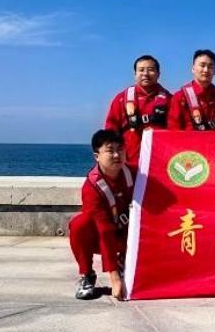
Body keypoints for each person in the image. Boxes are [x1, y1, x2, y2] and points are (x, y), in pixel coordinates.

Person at [69, 129, 134, 301]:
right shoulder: (91, 188)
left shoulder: (135, 174)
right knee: (79, 224)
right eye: (110, 150)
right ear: (97, 156)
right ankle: (87, 275)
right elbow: (104, 230)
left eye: (120, 149)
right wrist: (114, 278)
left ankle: (127, 262)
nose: (117, 155)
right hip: (103, 236)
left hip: (129, 235)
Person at [104, 55, 172, 168]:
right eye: (141, 70)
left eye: (150, 70)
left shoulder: (171, 100)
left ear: (158, 74)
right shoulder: (121, 99)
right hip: (129, 162)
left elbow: (176, 131)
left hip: (160, 162)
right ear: (135, 74)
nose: (145, 74)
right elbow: (110, 131)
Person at [169, 49, 215, 130]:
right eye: (202, 65)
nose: (206, 70)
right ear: (193, 69)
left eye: (210, 66)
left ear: (214, 71)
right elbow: (173, 130)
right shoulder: (180, 97)